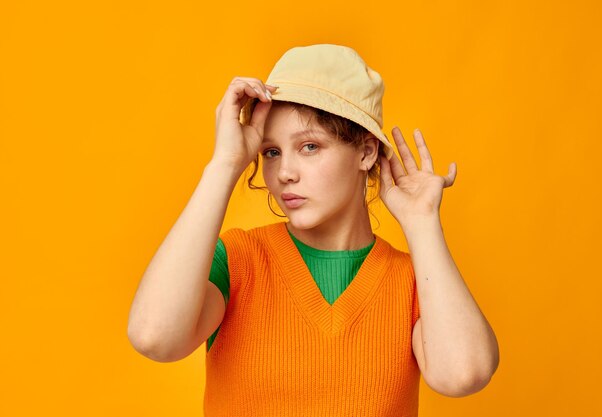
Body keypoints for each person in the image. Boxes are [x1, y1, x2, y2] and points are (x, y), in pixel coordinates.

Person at [127, 44, 499, 416]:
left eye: (309, 146)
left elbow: (464, 375)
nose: (285, 172)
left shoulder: (414, 282)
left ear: (367, 152)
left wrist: (422, 225)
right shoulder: (237, 261)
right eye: (271, 152)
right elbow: (155, 338)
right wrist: (225, 164)